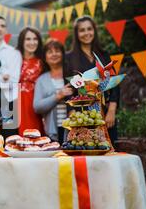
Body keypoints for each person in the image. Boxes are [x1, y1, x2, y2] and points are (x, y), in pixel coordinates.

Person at [64, 16, 120, 145]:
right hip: (81, 114)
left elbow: (115, 85)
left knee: (108, 151)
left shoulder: (104, 55)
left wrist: (112, 110)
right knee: (84, 150)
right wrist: (73, 117)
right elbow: (67, 90)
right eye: (82, 30)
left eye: (89, 29)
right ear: (77, 34)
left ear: (94, 31)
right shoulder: (69, 58)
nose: (86, 33)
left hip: (104, 113)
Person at [33, 39, 73, 142]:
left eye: (57, 51)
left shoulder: (71, 74)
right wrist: (58, 96)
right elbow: (37, 107)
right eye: (50, 52)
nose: (54, 54)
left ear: (63, 54)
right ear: (45, 57)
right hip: (53, 130)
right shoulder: (42, 79)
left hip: (74, 127)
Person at [15, 27, 45, 136]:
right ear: (22, 41)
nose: (32, 42)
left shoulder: (43, 62)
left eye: (35, 39)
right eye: (28, 39)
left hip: (34, 104)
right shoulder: (14, 59)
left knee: (34, 138)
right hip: (14, 104)